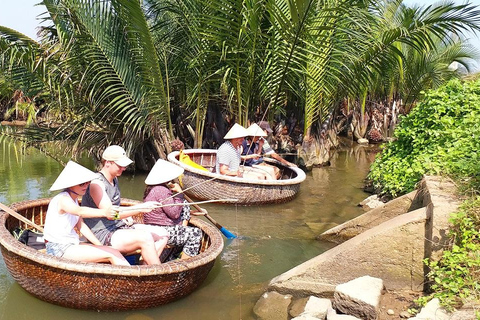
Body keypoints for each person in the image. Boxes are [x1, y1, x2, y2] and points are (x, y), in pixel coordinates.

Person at [82, 145, 169, 265]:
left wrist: (128, 215)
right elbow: (112, 214)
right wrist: (141, 208)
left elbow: (116, 205)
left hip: (119, 227)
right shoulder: (96, 184)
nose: (124, 168)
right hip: (103, 234)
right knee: (145, 237)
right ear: (108, 163)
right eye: (120, 165)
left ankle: (145, 269)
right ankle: (158, 274)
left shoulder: (114, 179)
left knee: (163, 234)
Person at [44, 161, 130, 266]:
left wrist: (100, 245)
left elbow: (82, 226)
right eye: (81, 183)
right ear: (70, 185)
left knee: (112, 250)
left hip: (72, 243)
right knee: (113, 254)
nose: (85, 186)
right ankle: (130, 281)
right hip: (58, 247)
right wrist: (104, 212)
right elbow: (80, 211)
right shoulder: (63, 199)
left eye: (87, 182)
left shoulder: (74, 200)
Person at [143, 159, 206, 260]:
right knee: (195, 233)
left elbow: (170, 209)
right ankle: (184, 264)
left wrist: (194, 210)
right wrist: (180, 194)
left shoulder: (152, 188)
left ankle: (173, 255)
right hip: (161, 229)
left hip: (157, 226)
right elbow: (175, 214)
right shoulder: (162, 190)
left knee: (184, 204)